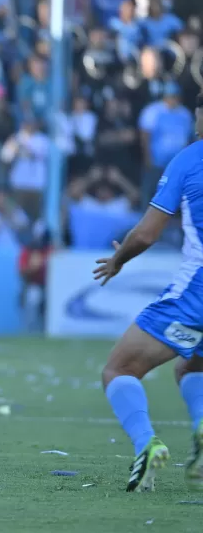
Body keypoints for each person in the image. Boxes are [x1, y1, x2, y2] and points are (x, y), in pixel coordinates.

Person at [93, 92, 203, 492]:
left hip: (197, 292)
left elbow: (147, 232)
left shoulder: (190, 158)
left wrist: (119, 258)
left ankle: (146, 445)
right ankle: (202, 427)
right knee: (191, 365)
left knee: (118, 369)